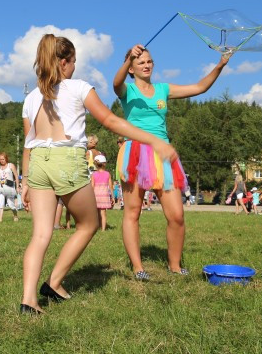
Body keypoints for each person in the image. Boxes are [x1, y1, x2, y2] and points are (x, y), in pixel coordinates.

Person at [19, 34, 176, 314]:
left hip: (39, 164)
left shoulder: (31, 97)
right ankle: (54, 282)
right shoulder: (79, 88)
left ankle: (28, 300)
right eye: (74, 61)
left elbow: (28, 143)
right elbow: (111, 120)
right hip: (65, 160)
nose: (75, 67)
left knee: (40, 235)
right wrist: (153, 140)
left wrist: (25, 181)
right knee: (89, 224)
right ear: (65, 62)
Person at [112, 44, 231, 280]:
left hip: (162, 152)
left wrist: (220, 65)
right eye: (140, 62)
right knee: (133, 212)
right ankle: (138, 267)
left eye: (149, 61)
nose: (146, 65)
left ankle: (175, 266)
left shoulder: (163, 89)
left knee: (176, 215)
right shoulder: (127, 91)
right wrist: (127, 61)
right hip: (134, 151)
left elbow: (199, 87)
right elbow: (116, 83)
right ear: (132, 69)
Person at [0, 152, 20, 222]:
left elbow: (16, 176)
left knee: (11, 205)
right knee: (0, 204)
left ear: (6, 158)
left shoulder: (11, 165)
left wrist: (17, 187)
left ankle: (15, 215)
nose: (2, 161)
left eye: (3, 159)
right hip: (1, 188)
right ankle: (0, 220)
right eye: (0, 159)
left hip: (10, 188)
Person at [91, 155, 113, 230]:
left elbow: (92, 186)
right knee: (103, 213)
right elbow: (110, 187)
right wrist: (112, 197)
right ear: (104, 164)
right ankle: (103, 229)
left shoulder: (94, 174)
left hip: (96, 196)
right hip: (104, 196)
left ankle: (97, 227)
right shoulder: (107, 174)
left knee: (97, 213)